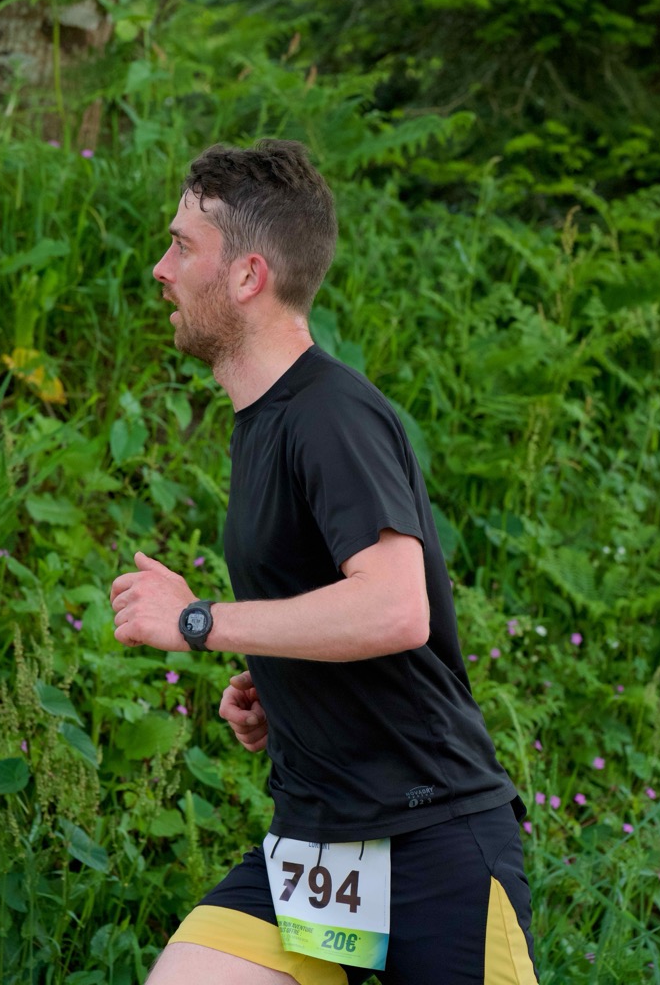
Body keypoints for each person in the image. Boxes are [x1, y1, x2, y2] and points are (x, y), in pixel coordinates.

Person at [110, 140, 538, 985]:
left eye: (182, 246)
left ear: (247, 276)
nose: (161, 268)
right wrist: (286, 685)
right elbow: (340, 609)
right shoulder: (265, 422)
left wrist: (198, 622)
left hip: (432, 843)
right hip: (319, 847)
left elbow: (394, 609)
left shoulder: (329, 414)